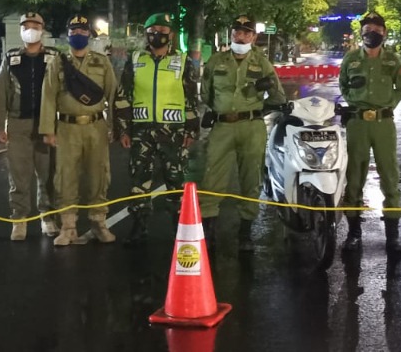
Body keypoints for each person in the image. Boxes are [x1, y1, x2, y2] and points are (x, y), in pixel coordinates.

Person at [198, 14, 286, 251]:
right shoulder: (216, 61)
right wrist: (221, 109)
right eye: (237, 32)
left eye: (246, 33)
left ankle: (245, 232)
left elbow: (279, 96)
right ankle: (209, 230)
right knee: (212, 177)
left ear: (253, 37)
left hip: (251, 127)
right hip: (222, 127)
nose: (241, 36)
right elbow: (206, 94)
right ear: (231, 34)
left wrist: (260, 103)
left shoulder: (262, 63)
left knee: (250, 178)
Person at [115, 13, 199, 244]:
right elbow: (123, 97)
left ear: (170, 35)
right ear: (146, 34)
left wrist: (191, 130)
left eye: (162, 30)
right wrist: (123, 130)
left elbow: (191, 98)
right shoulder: (135, 59)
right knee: (139, 179)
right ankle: (139, 224)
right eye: (152, 31)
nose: (157, 35)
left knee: (175, 179)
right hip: (141, 131)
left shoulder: (182, 61)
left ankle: (180, 226)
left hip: (173, 132)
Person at [41, 16, 119, 246]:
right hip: (67, 128)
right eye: (74, 31)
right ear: (68, 35)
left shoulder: (101, 62)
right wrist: (48, 130)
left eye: (83, 31)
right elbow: (48, 97)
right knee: (66, 176)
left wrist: (115, 126)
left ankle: (99, 223)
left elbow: (113, 94)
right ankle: (68, 227)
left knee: (98, 175)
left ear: (89, 35)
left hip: (96, 127)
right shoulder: (58, 63)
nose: (78, 35)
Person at [339, 11, 401, 254]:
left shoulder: (393, 60)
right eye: (368, 29)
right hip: (357, 123)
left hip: (383, 124)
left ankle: (393, 235)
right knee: (354, 177)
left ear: (384, 33)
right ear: (361, 33)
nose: (372, 33)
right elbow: (343, 85)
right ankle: (353, 232)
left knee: (389, 175)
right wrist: (354, 101)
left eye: (377, 30)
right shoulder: (351, 59)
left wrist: (388, 103)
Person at [0, 12, 59, 241]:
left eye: (35, 26)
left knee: (47, 173)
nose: (30, 30)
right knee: (19, 175)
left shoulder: (54, 56)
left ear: (42, 29)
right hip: (18, 123)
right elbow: (1, 93)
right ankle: (19, 219)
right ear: (21, 31)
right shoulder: (11, 57)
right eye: (26, 26)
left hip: (46, 124)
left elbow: (61, 90)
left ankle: (47, 217)